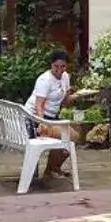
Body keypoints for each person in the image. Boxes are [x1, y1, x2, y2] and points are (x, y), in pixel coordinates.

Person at [28, 48, 75, 179]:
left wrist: (77, 96)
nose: (59, 69)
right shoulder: (45, 80)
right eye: (56, 66)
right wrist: (42, 123)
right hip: (36, 117)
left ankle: (52, 169)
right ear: (51, 65)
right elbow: (39, 105)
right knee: (67, 136)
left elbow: (65, 101)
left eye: (63, 66)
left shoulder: (65, 77)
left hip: (52, 116)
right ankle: (52, 170)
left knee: (73, 137)